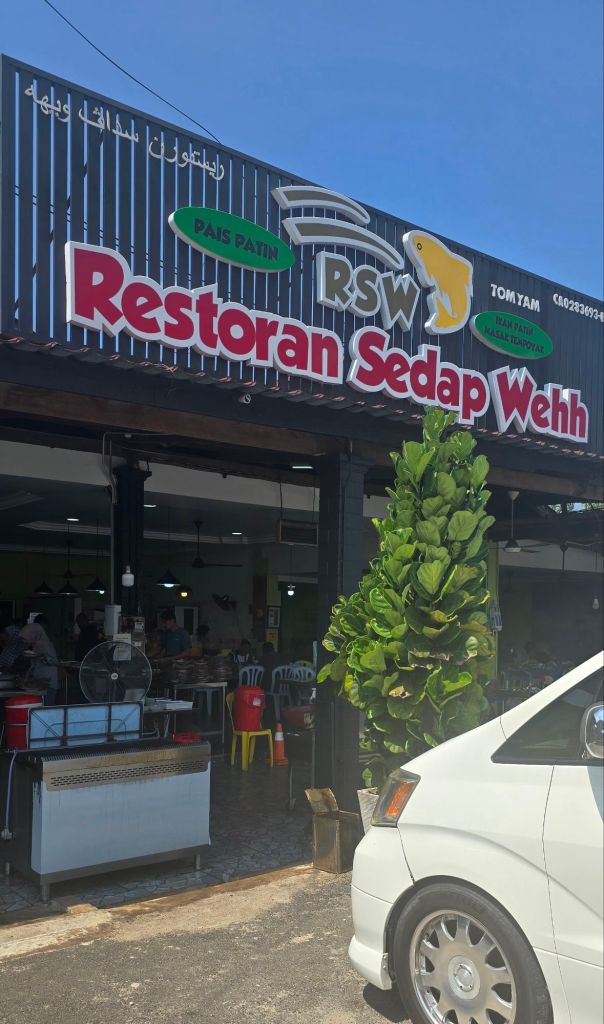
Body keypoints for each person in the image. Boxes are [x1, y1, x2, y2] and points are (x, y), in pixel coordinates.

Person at [20, 614, 60, 705]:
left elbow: (55, 662)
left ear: (33, 634)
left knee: (47, 708)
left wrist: (42, 657)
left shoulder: (45, 644)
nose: (24, 641)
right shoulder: (36, 645)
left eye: (26, 639)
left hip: (48, 682)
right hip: (40, 682)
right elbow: (34, 664)